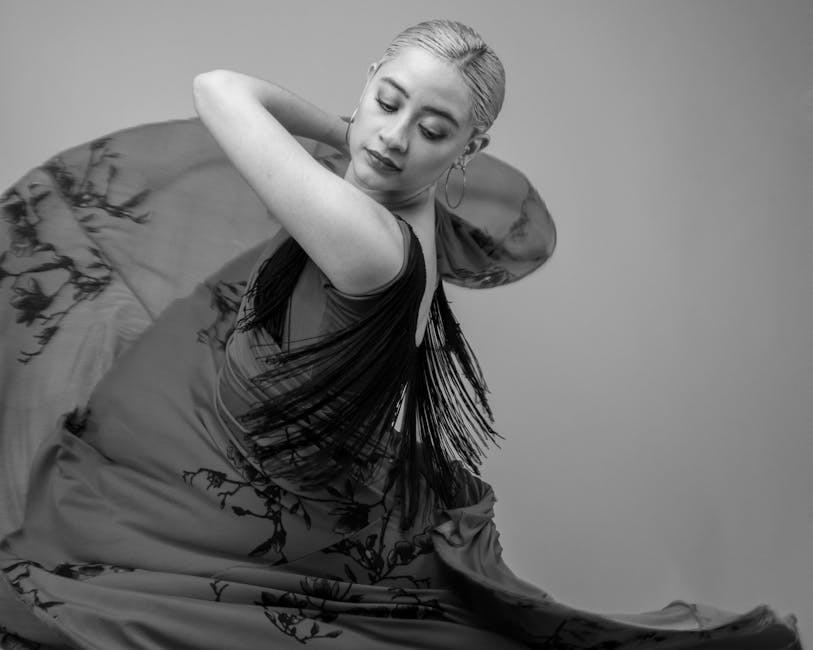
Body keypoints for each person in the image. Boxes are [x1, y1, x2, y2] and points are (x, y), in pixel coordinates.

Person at [0, 18, 801, 650]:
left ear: (466, 148)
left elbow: (220, 90)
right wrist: (359, 133)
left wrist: (348, 125)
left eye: (434, 128)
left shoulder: (367, 237)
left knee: (57, 588)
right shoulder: (414, 210)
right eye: (389, 103)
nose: (393, 139)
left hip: (211, 510)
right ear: (370, 84)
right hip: (249, 468)